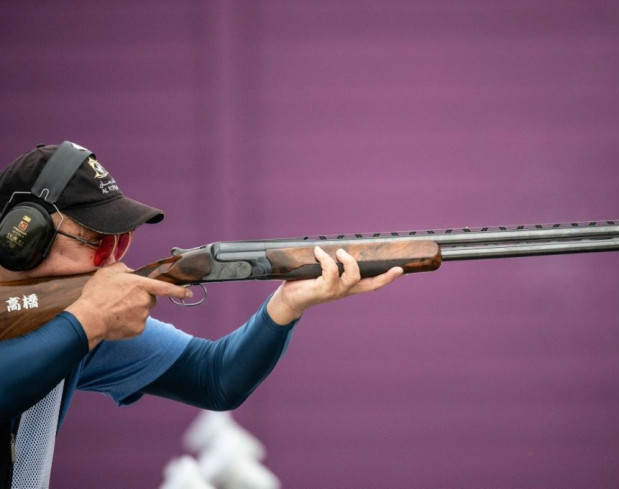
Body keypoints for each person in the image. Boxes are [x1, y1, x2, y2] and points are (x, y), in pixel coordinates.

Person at [0, 142, 402, 488]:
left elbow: (215, 378)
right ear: (22, 235)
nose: (110, 265)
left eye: (119, 245)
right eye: (97, 243)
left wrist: (287, 304)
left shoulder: (74, 322)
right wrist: (87, 320)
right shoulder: (82, 321)